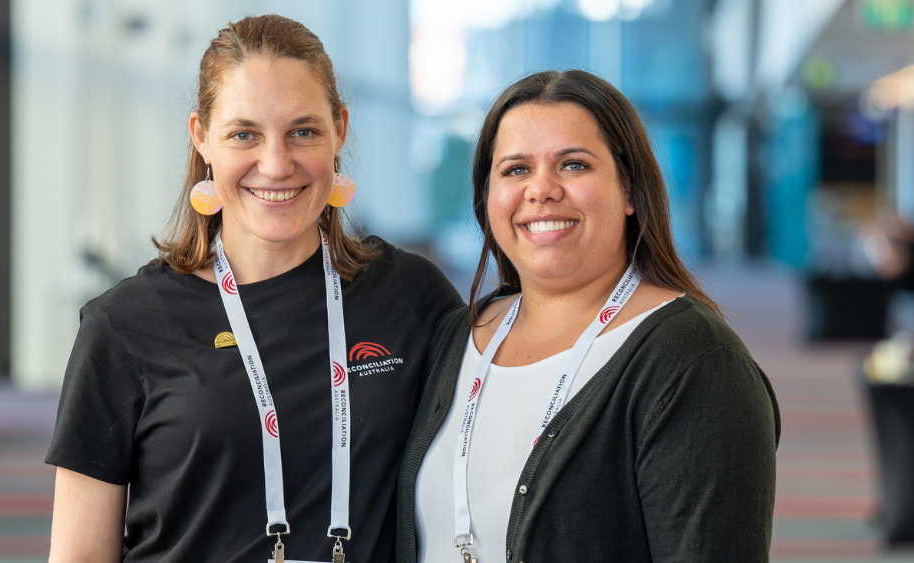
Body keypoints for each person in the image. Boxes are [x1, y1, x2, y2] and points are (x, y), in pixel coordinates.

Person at [46, 14, 462, 563]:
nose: (276, 164)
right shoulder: (124, 325)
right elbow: (79, 554)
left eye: (303, 132)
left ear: (340, 129)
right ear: (202, 137)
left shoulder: (409, 293)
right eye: (244, 134)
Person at [397, 70, 780, 563]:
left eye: (573, 165)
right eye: (516, 169)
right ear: (486, 198)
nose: (541, 189)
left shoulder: (696, 362)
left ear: (629, 191)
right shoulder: (455, 337)